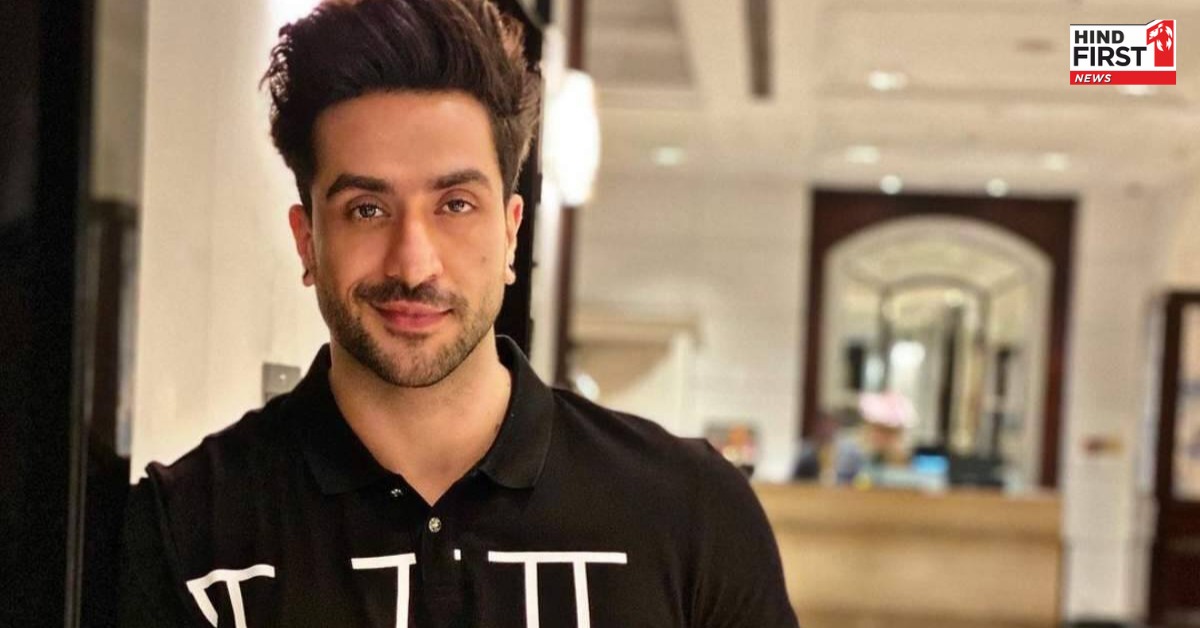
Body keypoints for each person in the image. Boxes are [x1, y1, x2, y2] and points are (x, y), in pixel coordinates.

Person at [117, 1, 800, 626]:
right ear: (308, 243)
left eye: (455, 205)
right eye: (367, 209)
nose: (413, 265)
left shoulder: (690, 512)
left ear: (510, 233)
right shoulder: (186, 531)